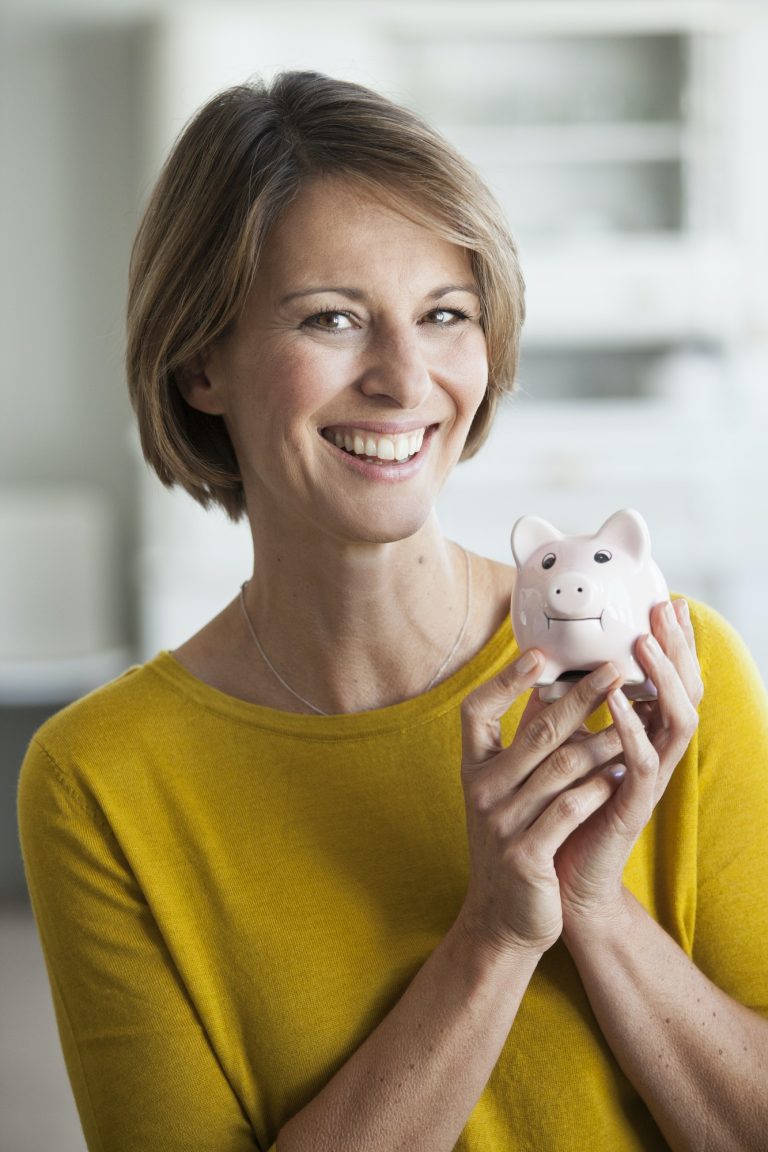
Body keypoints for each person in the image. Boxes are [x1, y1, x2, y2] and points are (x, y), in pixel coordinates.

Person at [18, 70, 768, 1152]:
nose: (407, 379)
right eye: (332, 319)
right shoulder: (102, 780)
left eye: (446, 315)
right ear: (198, 364)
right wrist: (494, 937)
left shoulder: (670, 675)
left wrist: (596, 910)